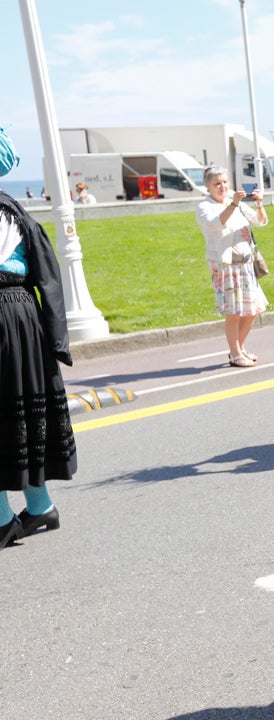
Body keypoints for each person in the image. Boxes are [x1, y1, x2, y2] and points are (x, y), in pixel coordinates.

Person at [0, 128, 76, 549]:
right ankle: (40, 505)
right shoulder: (15, 210)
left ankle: (2, 518)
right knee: (21, 412)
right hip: (22, 315)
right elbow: (46, 278)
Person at [195, 166, 269, 368]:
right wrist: (234, 204)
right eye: (217, 184)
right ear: (208, 187)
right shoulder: (205, 207)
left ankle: (239, 348)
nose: (222, 187)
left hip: (245, 263)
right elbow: (215, 224)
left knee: (252, 309)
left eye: (225, 182)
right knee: (234, 312)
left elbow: (260, 222)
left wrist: (259, 203)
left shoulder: (233, 202)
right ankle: (235, 353)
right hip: (225, 265)